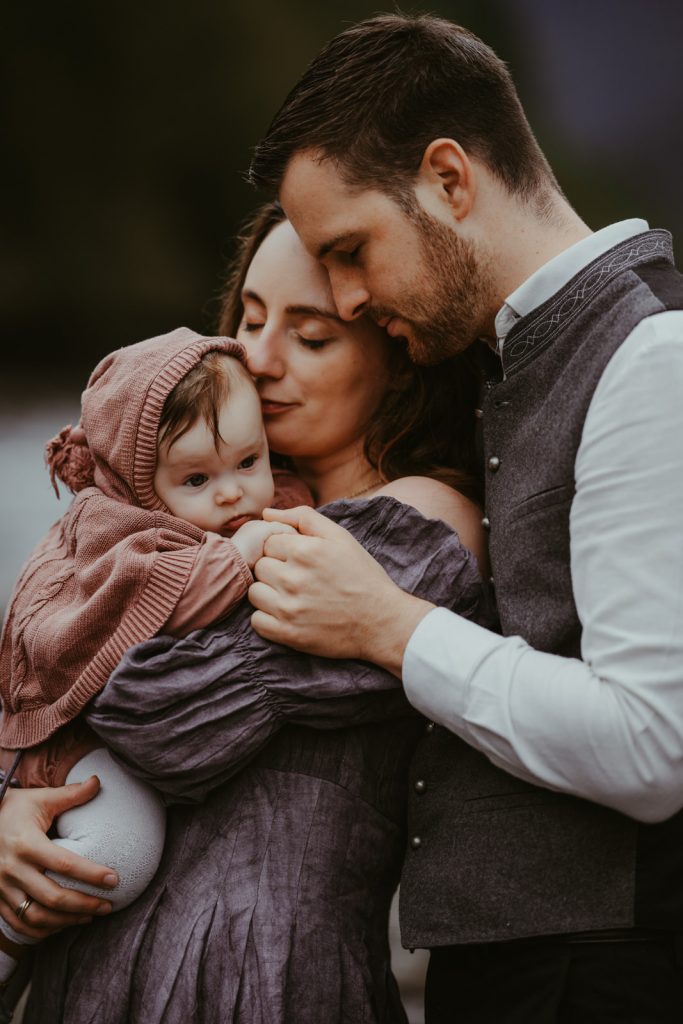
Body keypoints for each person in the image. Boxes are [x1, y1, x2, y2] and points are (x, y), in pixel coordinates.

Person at [231, 12, 683, 1023]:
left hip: (595, 977)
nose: (343, 300)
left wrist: (386, 625)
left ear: (446, 178)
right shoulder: (495, 360)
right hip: (505, 972)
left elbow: (653, 743)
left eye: (351, 251)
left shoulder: (650, 360)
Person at [0, 203, 492, 1023]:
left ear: (397, 358)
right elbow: (45, 658)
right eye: (251, 318)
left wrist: (66, 744)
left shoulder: (421, 520)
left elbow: (153, 711)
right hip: (96, 977)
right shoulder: (184, 519)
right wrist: (23, 802)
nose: (256, 360)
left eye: (311, 336)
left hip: (256, 974)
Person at [0, 327, 305, 997]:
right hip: (67, 745)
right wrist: (241, 552)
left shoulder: (254, 500)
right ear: (140, 478)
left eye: (249, 461)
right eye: (195, 478)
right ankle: (6, 937)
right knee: (122, 852)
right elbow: (171, 600)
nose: (231, 494)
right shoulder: (117, 532)